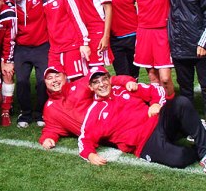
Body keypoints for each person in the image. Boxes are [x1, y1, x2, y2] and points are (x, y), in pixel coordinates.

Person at [78, 67, 206, 172]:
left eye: (104, 79)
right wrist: (90, 154)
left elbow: (156, 90)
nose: (101, 84)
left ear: (109, 79)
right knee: (180, 158)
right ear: (90, 87)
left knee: (181, 102)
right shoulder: (94, 112)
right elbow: (84, 139)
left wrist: (156, 103)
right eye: (96, 82)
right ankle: (193, 135)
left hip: (158, 122)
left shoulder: (124, 88)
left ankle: (203, 151)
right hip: (145, 144)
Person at [39, 66, 136, 150]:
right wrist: (48, 138)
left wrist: (127, 81)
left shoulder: (79, 85)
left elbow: (108, 80)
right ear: (45, 82)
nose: (54, 80)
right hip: (98, 137)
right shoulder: (49, 108)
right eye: (50, 78)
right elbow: (51, 128)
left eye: (57, 76)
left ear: (65, 77)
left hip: (115, 123)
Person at [127, 0, 175, 96]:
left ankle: (173, 108)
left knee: (165, 78)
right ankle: (161, 108)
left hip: (162, 29)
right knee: (153, 77)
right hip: (143, 30)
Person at [166, 0, 206, 114]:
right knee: (185, 90)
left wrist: (203, 42)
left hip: (200, 45)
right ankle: (191, 126)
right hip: (179, 45)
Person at [5, 0, 49, 127]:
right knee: (22, 81)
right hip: (22, 47)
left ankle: (40, 113)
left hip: (42, 44)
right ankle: (25, 114)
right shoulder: (7, 2)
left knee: (43, 80)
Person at [36, 0, 90, 81]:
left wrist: (84, 42)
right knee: (57, 84)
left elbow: (77, 17)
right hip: (55, 49)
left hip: (72, 46)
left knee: (78, 82)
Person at [96, 0, 139, 79]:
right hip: (114, 39)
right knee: (122, 76)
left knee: (134, 74)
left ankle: (136, 98)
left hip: (133, 35)